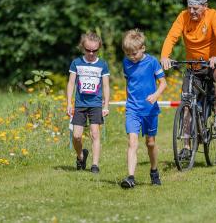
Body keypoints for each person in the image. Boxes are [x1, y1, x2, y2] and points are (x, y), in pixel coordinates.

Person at [160, 0, 216, 158]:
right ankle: (186, 146)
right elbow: (171, 37)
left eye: (196, 9)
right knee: (187, 105)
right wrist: (164, 57)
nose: (192, 12)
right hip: (193, 66)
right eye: (190, 8)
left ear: (205, 7)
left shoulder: (214, 15)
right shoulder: (183, 17)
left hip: (212, 63)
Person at [120, 29, 167, 188]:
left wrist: (155, 95)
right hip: (132, 109)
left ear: (143, 48)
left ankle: (154, 171)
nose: (131, 57)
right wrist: (128, 101)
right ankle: (131, 177)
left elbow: (163, 83)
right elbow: (129, 83)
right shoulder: (126, 63)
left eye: (134, 53)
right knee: (132, 143)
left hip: (150, 110)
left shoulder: (152, 62)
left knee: (150, 143)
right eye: (128, 54)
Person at [66, 32, 110, 174]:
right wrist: (69, 103)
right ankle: (81, 156)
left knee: (95, 134)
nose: (91, 53)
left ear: (99, 48)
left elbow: (106, 86)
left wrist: (106, 105)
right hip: (80, 104)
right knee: (76, 136)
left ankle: (95, 165)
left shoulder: (102, 65)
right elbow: (71, 83)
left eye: (94, 50)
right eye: (88, 50)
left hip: (95, 104)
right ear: (82, 47)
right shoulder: (76, 63)